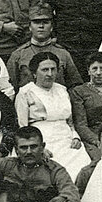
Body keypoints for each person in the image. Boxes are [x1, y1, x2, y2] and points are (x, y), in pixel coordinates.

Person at [16, 52, 92, 180]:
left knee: (82, 169)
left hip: (66, 139)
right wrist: (38, 148)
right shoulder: (25, 92)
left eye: (53, 69)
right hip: (42, 139)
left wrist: (75, 137)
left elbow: (69, 121)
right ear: (34, 72)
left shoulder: (62, 90)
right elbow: (22, 127)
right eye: (45, 70)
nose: (50, 74)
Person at [7, 2, 83, 89]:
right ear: (30, 27)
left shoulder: (63, 54)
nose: (41, 26)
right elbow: (11, 88)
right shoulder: (18, 55)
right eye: (36, 22)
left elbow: (76, 86)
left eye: (45, 22)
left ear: (51, 27)